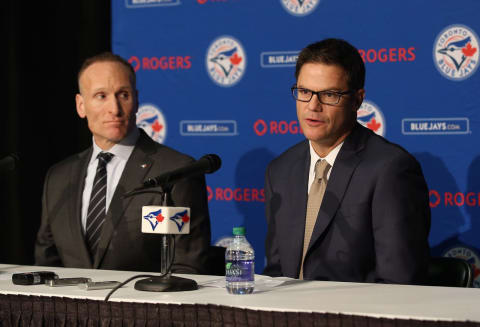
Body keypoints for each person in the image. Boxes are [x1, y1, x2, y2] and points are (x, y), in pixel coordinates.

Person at [263, 39, 430, 284]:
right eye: (305, 92)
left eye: (329, 94)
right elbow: (276, 272)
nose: (313, 106)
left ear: (357, 99)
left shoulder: (389, 169)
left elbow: (399, 283)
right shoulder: (280, 170)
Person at [35, 52, 211, 273]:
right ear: (81, 105)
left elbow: (187, 264)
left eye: (123, 95)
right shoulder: (59, 177)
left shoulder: (176, 171)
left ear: (136, 100)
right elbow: (46, 264)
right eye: (101, 96)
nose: (114, 109)